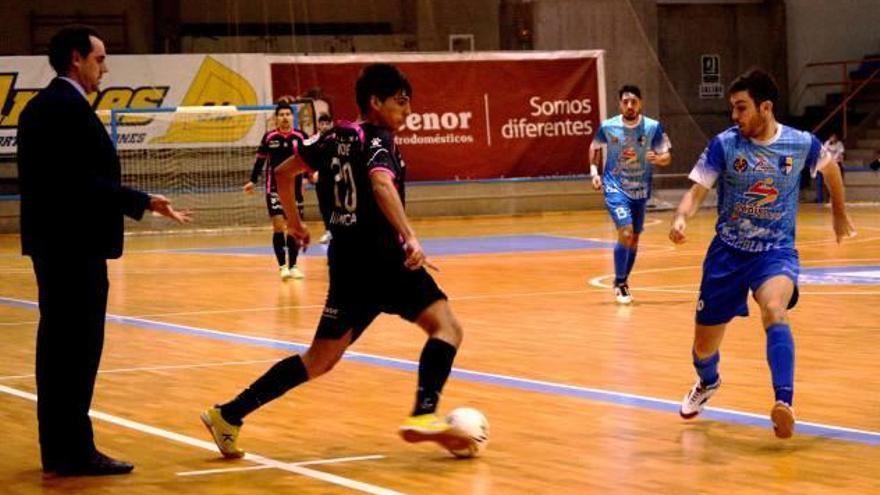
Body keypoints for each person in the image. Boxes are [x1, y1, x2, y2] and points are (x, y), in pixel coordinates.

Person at [201, 63, 473, 458]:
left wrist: (296, 224)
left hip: (347, 267)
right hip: (386, 262)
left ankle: (228, 414)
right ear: (375, 103)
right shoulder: (377, 140)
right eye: (400, 102)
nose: (408, 111)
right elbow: (381, 183)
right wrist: (410, 236)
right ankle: (423, 414)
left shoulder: (331, 138)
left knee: (319, 360)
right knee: (447, 328)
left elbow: (282, 171)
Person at [17, 26, 190, 475]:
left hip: (59, 246)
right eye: (100, 58)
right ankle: (73, 450)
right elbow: (75, 182)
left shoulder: (44, 106)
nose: (105, 67)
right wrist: (142, 200)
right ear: (76, 58)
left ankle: (61, 448)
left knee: (60, 350)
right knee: (74, 350)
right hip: (72, 247)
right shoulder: (62, 108)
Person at [669, 68, 855, 439]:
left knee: (774, 309)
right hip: (727, 254)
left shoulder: (800, 144)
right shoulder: (726, 144)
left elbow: (831, 170)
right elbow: (697, 190)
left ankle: (783, 402)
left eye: (741, 108)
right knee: (703, 348)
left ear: (765, 107)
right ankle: (708, 381)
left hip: (775, 252)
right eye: (733, 109)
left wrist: (839, 212)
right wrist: (680, 218)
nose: (735, 117)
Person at [589, 84, 672, 304]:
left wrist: (659, 158)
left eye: (633, 101)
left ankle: (623, 279)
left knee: (634, 238)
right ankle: (620, 283)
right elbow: (595, 147)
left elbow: (666, 156)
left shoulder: (653, 127)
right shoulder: (608, 126)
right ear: (620, 104)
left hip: (640, 190)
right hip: (615, 186)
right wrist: (594, 172)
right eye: (625, 102)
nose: (629, 106)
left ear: (640, 103)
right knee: (625, 232)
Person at [243, 102, 307, 280]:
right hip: (274, 189)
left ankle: (294, 266)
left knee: (293, 227)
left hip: (295, 190)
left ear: (292, 117)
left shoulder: (301, 137)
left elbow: (311, 158)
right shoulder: (269, 137)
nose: (285, 117)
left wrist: (313, 175)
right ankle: (282, 266)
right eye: (281, 115)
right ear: (276, 119)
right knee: (279, 226)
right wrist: (252, 181)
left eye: (288, 114)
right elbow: (260, 161)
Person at [315, 112, 334, 244]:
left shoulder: (336, 139)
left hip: (336, 179)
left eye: (327, 123)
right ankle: (329, 231)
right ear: (318, 125)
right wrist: (312, 173)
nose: (325, 126)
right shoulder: (314, 141)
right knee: (324, 206)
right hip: (321, 179)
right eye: (322, 123)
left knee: (337, 206)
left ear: (331, 124)